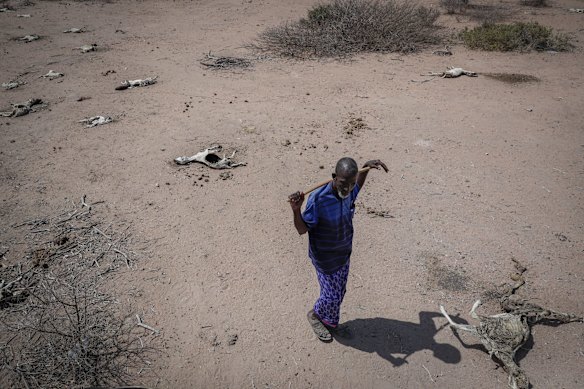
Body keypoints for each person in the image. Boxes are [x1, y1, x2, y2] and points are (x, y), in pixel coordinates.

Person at [289, 157, 388, 342]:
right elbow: (302, 230)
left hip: (343, 253)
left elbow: (356, 184)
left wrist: (366, 167)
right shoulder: (318, 199)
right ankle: (316, 315)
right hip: (325, 257)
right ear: (334, 177)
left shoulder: (349, 190)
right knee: (332, 295)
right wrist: (296, 210)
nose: (347, 189)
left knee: (339, 292)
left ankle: (330, 321)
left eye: (350, 184)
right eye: (343, 183)